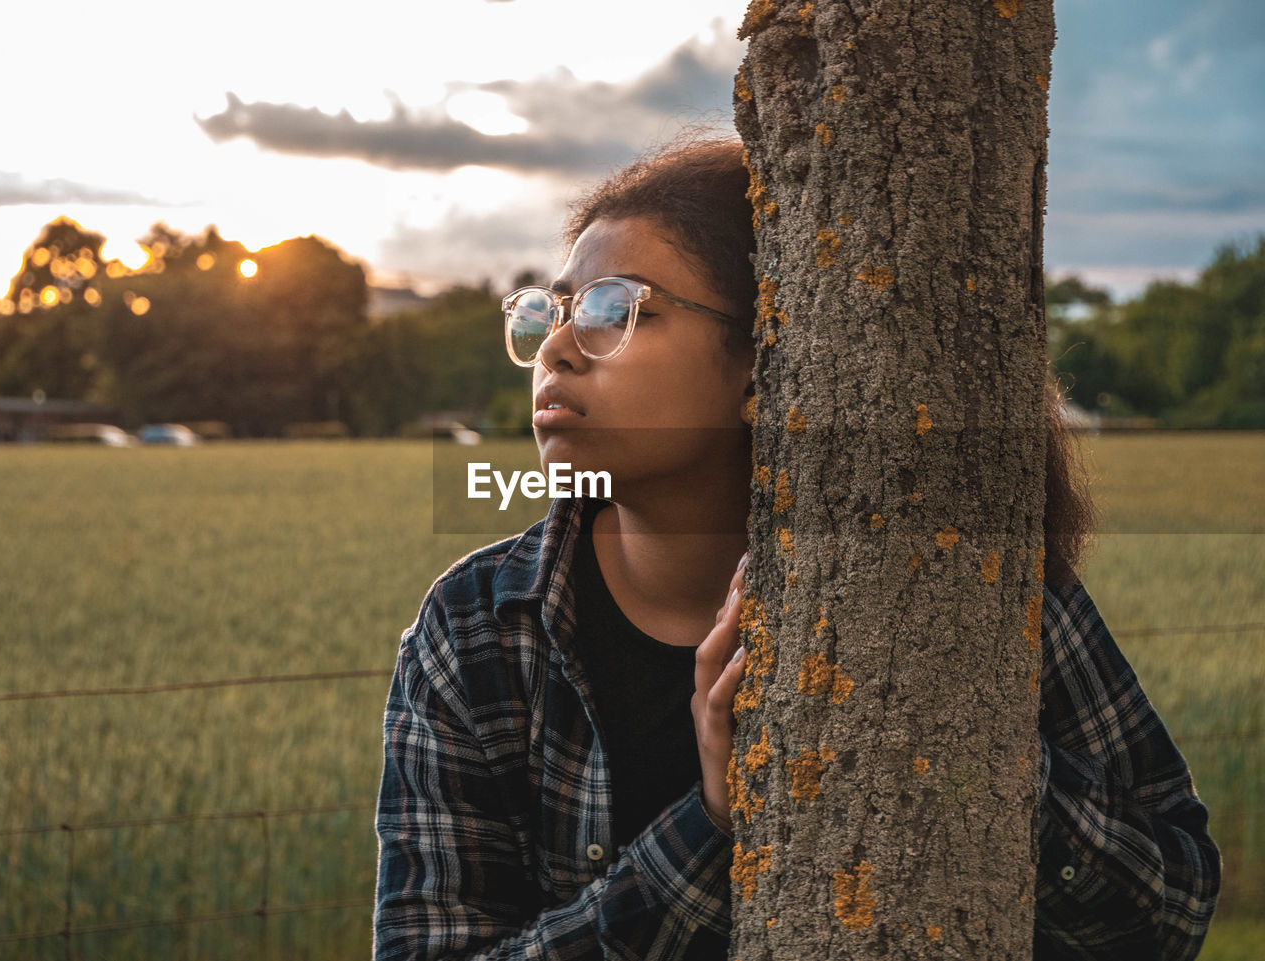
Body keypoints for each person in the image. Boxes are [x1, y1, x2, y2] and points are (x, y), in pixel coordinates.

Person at [373, 139, 1220, 960]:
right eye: (552, 310)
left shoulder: (961, 574)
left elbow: (1172, 912)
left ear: (764, 360)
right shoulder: (475, 631)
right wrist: (712, 826)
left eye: (612, 309)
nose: (556, 346)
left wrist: (962, 745)